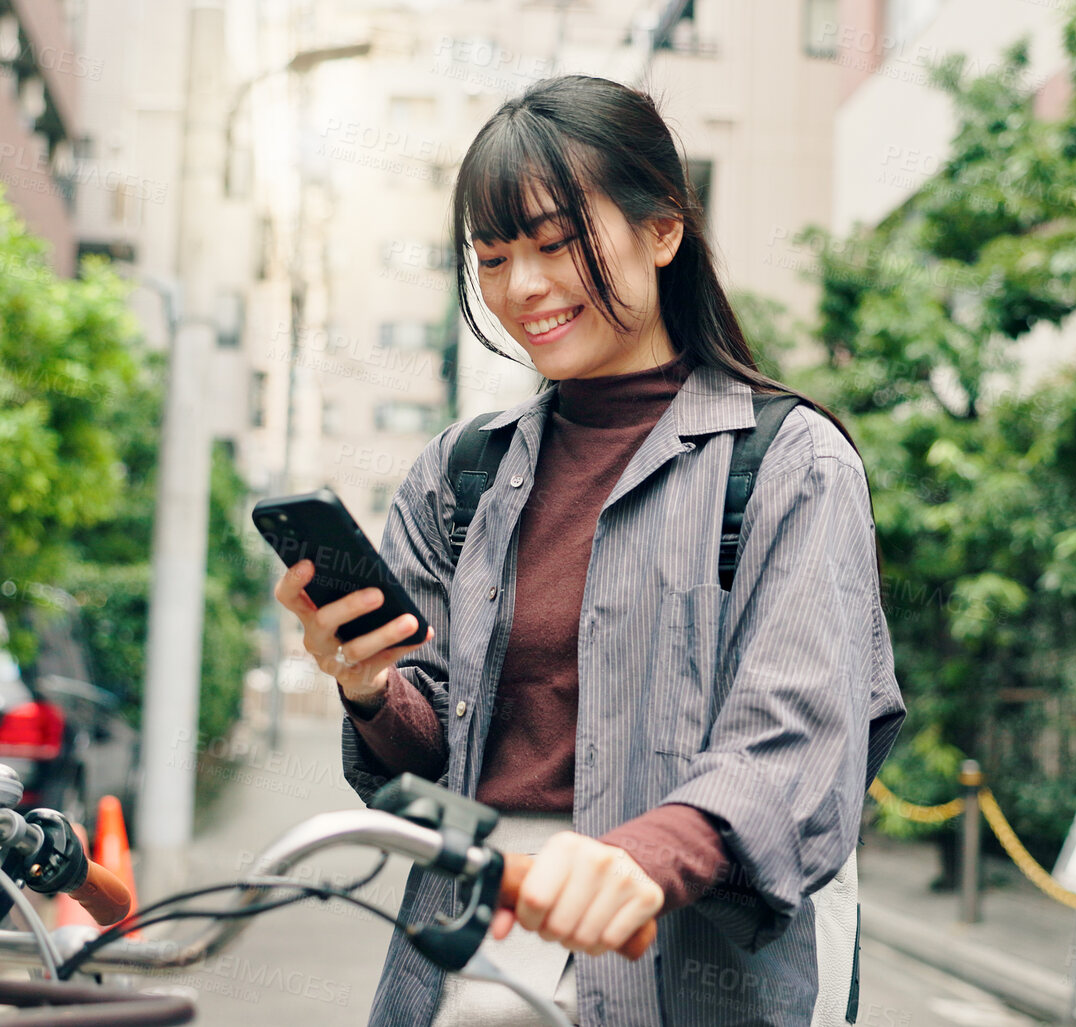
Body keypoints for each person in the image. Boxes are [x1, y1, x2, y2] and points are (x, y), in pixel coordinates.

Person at [271, 74, 906, 1026]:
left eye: (554, 244)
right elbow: (431, 761)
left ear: (662, 229)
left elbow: (792, 745)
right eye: (490, 257)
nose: (521, 287)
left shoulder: (788, 463)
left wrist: (636, 859)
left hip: (678, 955)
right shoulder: (461, 476)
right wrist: (367, 687)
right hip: (473, 953)